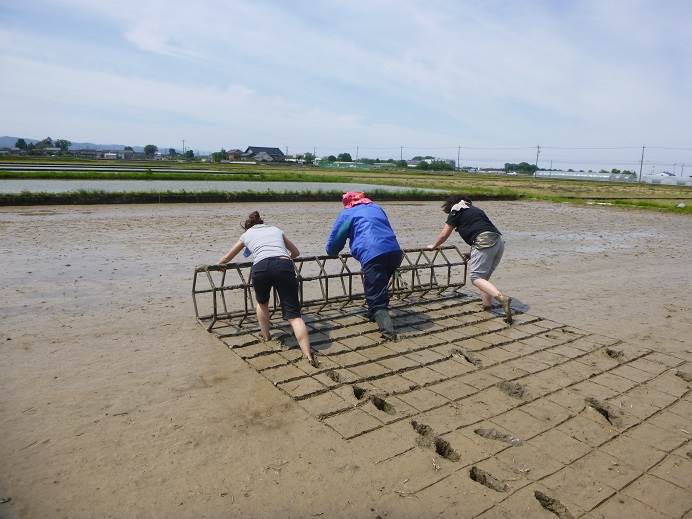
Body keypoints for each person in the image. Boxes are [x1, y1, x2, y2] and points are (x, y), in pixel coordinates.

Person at [218, 211, 317, 366]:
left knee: (262, 303)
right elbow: (296, 253)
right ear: (262, 223)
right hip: (284, 265)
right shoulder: (276, 230)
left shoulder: (247, 235)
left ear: (248, 227)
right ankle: (308, 354)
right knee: (294, 316)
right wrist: (282, 261)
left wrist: (220, 266)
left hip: (261, 268)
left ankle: (266, 335)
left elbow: (227, 257)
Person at [325, 192, 403, 340]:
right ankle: (373, 313)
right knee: (379, 286)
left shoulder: (347, 213)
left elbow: (335, 242)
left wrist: (332, 252)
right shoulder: (377, 208)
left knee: (375, 294)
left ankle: (389, 333)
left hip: (373, 254)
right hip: (394, 252)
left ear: (348, 203)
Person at [427, 195, 513, 324]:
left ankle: (501, 298)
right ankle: (487, 306)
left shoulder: (456, 210)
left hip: (484, 241)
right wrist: (472, 253)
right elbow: (484, 231)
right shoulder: (476, 210)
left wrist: (434, 246)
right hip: (498, 241)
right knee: (483, 279)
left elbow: (444, 234)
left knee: (475, 278)